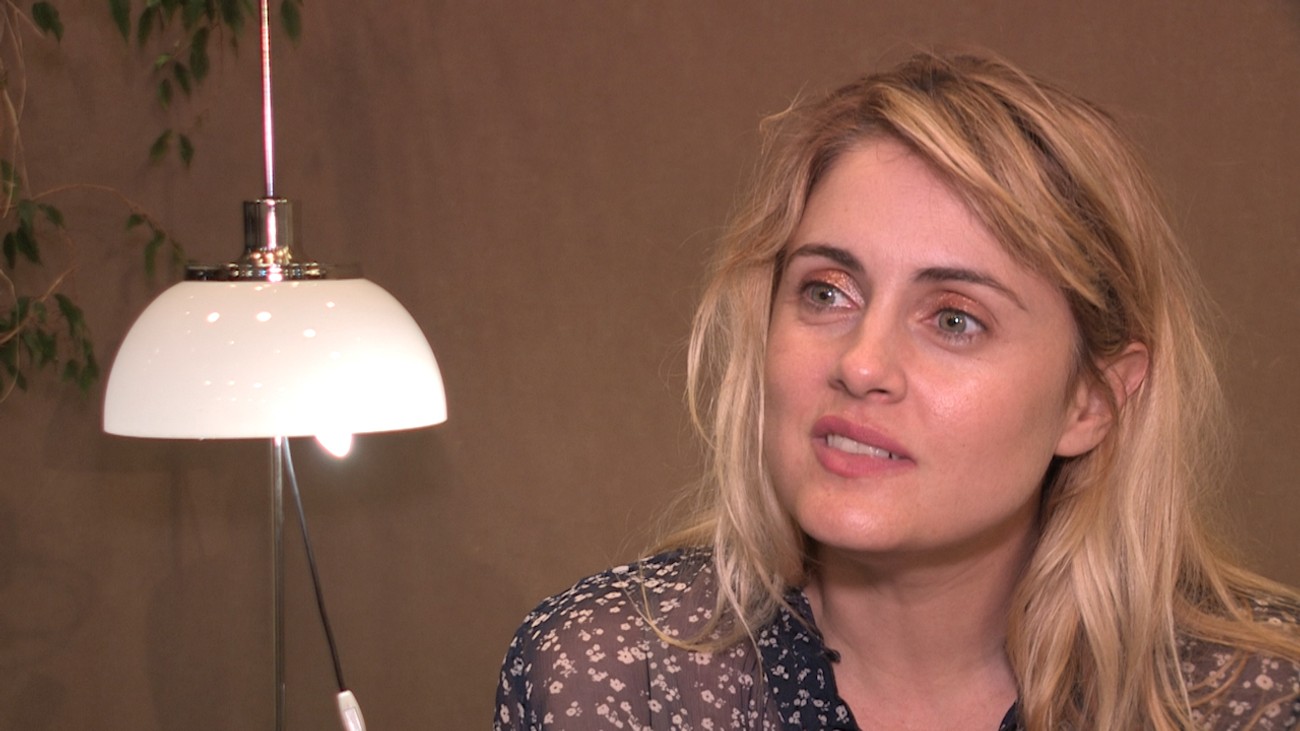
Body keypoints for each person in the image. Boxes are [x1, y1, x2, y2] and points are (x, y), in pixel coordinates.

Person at [493, 51, 1300, 730]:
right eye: (826, 291)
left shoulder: (1256, 700)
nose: (861, 362)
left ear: (1094, 401)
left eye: (954, 319)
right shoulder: (612, 679)